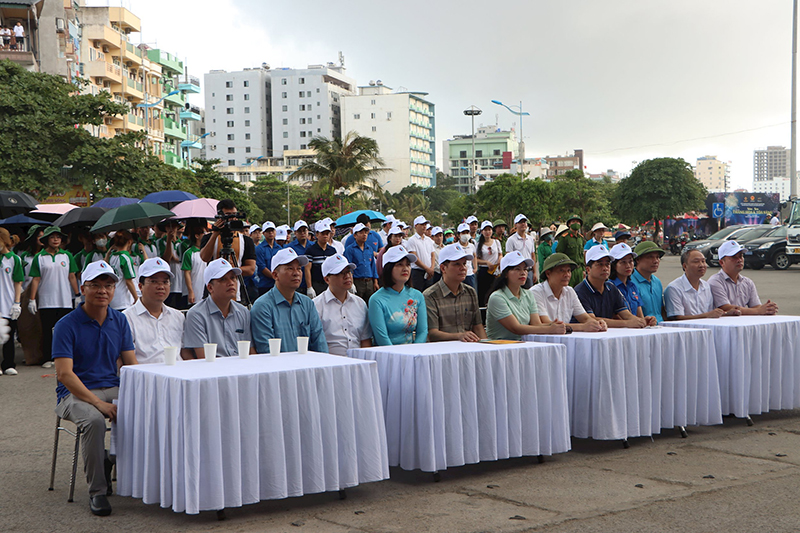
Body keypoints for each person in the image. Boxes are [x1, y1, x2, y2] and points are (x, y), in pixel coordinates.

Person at [52, 261, 137, 516]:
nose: (103, 291)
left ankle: (113, 460)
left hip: (112, 385)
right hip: (74, 393)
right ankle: (98, 491)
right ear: (83, 287)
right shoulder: (67, 324)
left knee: (147, 410)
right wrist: (98, 403)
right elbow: (65, 374)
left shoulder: (119, 319)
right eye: (95, 285)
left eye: (108, 285)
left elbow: (131, 363)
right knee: (94, 421)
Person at [251, 247, 327, 353]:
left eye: (299, 268)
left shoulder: (308, 304)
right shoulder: (262, 306)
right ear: (275, 275)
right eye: (290, 268)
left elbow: (319, 343)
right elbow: (266, 350)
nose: (296, 273)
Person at [28, 226, 80, 368]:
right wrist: (32, 299)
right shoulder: (40, 257)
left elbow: (72, 276)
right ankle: (48, 357)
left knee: (66, 330)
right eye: (52, 237)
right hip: (47, 299)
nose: (56, 239)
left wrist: (77, 295)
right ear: (46, 240)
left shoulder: (67, 255)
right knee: (47, 330)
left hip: (65, 299)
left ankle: (68, 356)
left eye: (58, 237)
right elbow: (36, 279)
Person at [486, 251, 567, 340]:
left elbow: (536, 324)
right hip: (500, 347)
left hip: (524, 344)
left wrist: (553, 324)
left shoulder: (528, 294)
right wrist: (550, 328)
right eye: (517, 269)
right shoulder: (497, 297)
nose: (523, 273)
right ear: (505, 273)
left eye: (525, 269)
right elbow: (516, 328)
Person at [183, 258, 253, 358]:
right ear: (210, 288)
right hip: (213, 370)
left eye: (233, 278)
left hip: (241, 369)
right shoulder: (196, 314)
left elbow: (250, 351)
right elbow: (204, 358)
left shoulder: (243, 312)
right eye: (223, 279)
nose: (231, 283)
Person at [123, 258, 186, 364]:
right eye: (154, 281)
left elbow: (184, 352)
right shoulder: (127, 318)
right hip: (146, 377)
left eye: (165, 282)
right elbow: (129, 360)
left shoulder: (178, 316)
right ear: (140, 286)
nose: (161, 286)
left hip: (178, 375)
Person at [424, 243, 486, 342]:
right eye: (457, 264)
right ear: (443, 268)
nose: (463, 268)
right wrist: (459, 336)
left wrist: (486, 347)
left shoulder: (470, 292)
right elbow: (432, 333)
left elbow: (478, 327)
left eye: (464, 264)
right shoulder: (430, 296)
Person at [313, 254, 372, 356]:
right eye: (340, 273)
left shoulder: (360, 303)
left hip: (358, 362)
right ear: (327, 279)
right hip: (330, 363)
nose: (347, 276)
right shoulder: (316, 305)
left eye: (349, 271)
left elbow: (365, 339)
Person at [574, 245, 647, 328]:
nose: (605, 268)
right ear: (588, 269)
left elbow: (626, 315)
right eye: (600, 264)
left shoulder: (611, 288)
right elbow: (591, 319)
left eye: (607, 264)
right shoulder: (580, 291)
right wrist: (627, 323)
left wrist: (641, 322)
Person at [368, 245, 428, 345]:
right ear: (388, 268)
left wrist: (415, 353)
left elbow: (422, 331)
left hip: (413, 354)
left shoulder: (417, 296)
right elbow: (381, 338)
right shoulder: (376, 300)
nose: (405, 269)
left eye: (408, 265)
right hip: (388, 356)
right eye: (399, 264)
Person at [532, 253, 607, 331]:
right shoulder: (536, 292)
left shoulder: (570, 291)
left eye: (569, 271)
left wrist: (597, 324)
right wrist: (582, 327)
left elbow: (585, 318)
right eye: (561, 271)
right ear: (548, 273)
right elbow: (547, 323)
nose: (567, 275)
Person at [199, 199, 257, 300]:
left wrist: (230, 270)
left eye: (234, 215)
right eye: (228, 215)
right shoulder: (209, 238)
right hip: (213, 292)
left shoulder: (246, 240)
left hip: (237, 293)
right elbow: (204, 258)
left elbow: (251, 269)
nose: (233, 219)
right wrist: (215, 234)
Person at [708, 240, 779, 315]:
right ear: (722, 262)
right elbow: (726, 307)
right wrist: (759, 311)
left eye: (740, 256)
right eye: (733, 257)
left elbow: (756, 306)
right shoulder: (715, 282)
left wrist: (767, 309)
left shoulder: (747, 282)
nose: (739, 260)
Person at [665, 249, 736, 320]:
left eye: (703, 261)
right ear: (685, 266)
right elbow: (677, 318)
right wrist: (706, 315)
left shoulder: (706, 286)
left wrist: (726, 313)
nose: (701, 265)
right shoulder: (674, 288)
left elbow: (710, 314)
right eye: (696, 262)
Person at [609, 243, 657, 325]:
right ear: (614, 265)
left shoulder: (632, 286)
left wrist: (646, 321)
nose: (628, 266)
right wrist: (634, 322)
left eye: (630, 261)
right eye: (623, 262)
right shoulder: (610, 287)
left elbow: (639, 315)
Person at [0, 228, 23, 375]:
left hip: (8, 303)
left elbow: (18, 282)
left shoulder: (14, 259)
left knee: (8, 335)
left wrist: (17, 303)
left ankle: (8, 364)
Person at [631, 241, 665, 323]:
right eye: (650, 257)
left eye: (657, 257)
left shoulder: (657, 282)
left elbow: (661, 310)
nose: (655, 261)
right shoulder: (630, 282)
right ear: (638, 259)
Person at [345, 222, 379, 302]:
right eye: (361, 232)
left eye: (365, 232)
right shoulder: (350, 249)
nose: (364, 235)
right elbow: (349, 267)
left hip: (369, 281)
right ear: (355, 235)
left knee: (370, 304)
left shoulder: (369, 249)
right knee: (356, 303)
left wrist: (375, 281)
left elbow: (372, 266)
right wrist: (351, 283)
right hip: (357, 281)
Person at [105, 230, 138, 311]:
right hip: (123, 300)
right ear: (130, 242)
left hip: (112, 298)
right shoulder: (126, 258)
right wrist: (136, 299)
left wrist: (108, 254)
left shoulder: (112, 257)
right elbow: (129, 281)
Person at [304, 220, 338, 298]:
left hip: (330, 284)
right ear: (317, 234)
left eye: (327, 233)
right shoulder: (310, 250)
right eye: (323, 233)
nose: (325, 236)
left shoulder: (332, 250)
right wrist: (309, 287)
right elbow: (307, 269)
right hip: (317, 284)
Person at [505, 214, 537, 288]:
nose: (523, 224)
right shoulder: (511, 240)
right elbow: (508, 257)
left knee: (529, 292)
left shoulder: (530, 239)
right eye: (520, 222)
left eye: (524, 222)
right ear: (516, 225)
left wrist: (534, 272)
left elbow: (533, 255)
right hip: (517, 272)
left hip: (528, 271)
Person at [406, 215, 436, 292]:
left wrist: (432, 268)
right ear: (416, 226)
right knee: (417, 293)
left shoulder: (428, 240)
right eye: (422, 225)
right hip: (417, 272)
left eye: (425, 225)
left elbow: (432, 255)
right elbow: (414, 257)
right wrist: (427, 268)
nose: (424, 227)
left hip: (429, 272)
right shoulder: (412, 240)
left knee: (429, 293)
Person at [476, 220, 503, 307]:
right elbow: (475, 259)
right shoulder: (478, 244)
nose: (487, 232)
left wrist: (499, 260)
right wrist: (486, 262)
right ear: (482, 231)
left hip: (495, 270)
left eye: (489, 230)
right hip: (484, 270)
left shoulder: (496, 242)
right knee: (484, 292)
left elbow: (500, 254)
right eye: (485, 230)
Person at [181, 221, 208, 306]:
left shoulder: (208, 252)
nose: (206, 235)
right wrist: (191, 291)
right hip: (195, 293)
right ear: (197, 236)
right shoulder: (189, 253)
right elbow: (187, 273)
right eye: (203, 233)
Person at [556, 214, 585, 287]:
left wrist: (583, 269)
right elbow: (559, 253)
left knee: (580, 290)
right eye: (573, 221)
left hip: (579, 269)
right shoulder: (565, 237)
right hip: (569, 269)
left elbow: (582, 254)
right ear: (569, 224)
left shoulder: (580, 238)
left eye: (578, 222)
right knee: (568, 289)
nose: (576, 223)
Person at [254, 221, 282, 296]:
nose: (270, 233)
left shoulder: (279, 248)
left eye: (272, 231)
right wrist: (275, 277)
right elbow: (262, 267)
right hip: (265, 285)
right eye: (268, 231)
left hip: (278, 284)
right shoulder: (259, 249)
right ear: (264, 233)